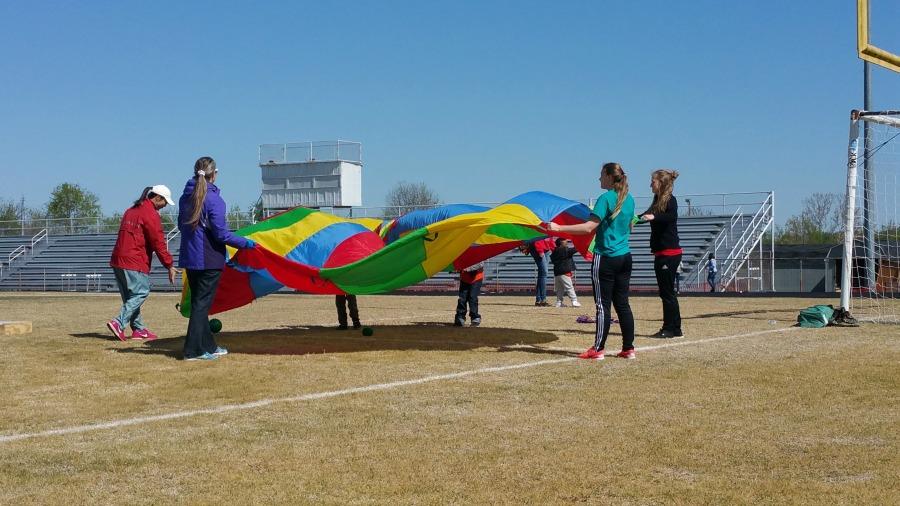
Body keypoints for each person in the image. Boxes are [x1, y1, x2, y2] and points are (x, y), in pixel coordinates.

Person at [549, 162, 636, 360]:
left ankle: (597, 349)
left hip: (606, 258)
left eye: (601, 175)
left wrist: (558, 229)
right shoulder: (629, 199)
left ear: (608, 176)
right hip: (625, 257)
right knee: (623, 304)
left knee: (602, 305)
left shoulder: (605, 198)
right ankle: (628, 348)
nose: (598, 179)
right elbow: (630, 225)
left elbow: (589, 228)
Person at [178, 156, 256, 361]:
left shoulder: (185, 197)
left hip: (191, 257)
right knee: (201, 306)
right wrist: (245, 243)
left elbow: (181, 226)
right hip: (208, 259)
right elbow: (221, 234)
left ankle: (209, 347)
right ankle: (192, 350)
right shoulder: (214, 200)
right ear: (215, 174)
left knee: (199, 304)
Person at [107, 185, 178, 341]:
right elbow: (158, 242)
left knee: (130, 297)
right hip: (134, 261)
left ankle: (138, 329)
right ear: (157, 198)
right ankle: (118, 323)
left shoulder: (131, 210)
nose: (165, 206)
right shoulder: (150, 214)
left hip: (118, 260)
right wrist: (169, 264)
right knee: (141, 292)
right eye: (165, 202)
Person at [640, 169, 683, 338]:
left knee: (667, 293)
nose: (650, 184)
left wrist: (653, 218)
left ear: (661, 183)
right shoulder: (657, 199)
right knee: (666, 292)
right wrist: (631, 219)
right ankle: (675, 328)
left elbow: (671, 217)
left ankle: (670, 328)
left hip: (669, 253)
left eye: (653, 181)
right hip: (660, 252)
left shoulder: (671, 200)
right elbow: (647, 215)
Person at [550, 238, 580, 307]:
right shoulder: (564, 250)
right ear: (561, 243)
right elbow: (574, 250)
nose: (567, 243)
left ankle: (559, 302)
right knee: (569, 287)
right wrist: (581, 244)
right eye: (565, 242)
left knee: (559, 289)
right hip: (564, 272)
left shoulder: (554, 251)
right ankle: (574, 301)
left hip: (557, 273)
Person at [524, 237, 555, 306]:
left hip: (546, 249)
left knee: (542, 274)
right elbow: (537, 236)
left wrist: (553, 248)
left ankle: (538, 300)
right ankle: (543, 299)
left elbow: (550, 237)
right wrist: (540, 250)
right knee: (544, 273)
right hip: (537, 249)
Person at [455, 261, 484, 326]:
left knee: (472, 298)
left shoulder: (479, 254)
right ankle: (460, 317)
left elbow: (480, 264)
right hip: (464, 278)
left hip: (476, 277)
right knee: (462, 298)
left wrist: (465, 268)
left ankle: (475, 317)